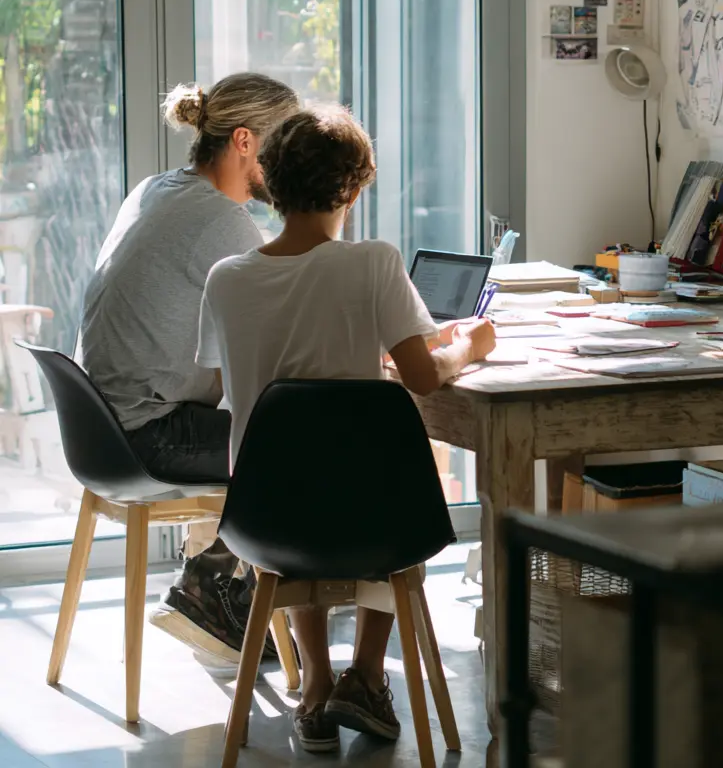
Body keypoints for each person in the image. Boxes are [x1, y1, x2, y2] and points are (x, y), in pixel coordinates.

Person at [195, 105, 496, 752]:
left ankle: (313, 689)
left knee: (300, 468)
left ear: (271, 182)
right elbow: (422, 377)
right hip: (374, 522)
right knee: (390, 477)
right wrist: (469, 347)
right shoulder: (371, 264)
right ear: (356, 187)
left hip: (264, 517)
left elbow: (232, 383)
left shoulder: (226, 280)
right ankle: (365, 674)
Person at [79, 72, 300, 663]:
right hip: (148, 435)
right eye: (282, 148)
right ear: (246, 142)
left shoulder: (158, 189)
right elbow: (278, 340)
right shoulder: (223, 222)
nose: (289, 166)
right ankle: (213, 588)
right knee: (296, 443)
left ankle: (229, 587)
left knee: (261, 418)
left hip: (99, 428)